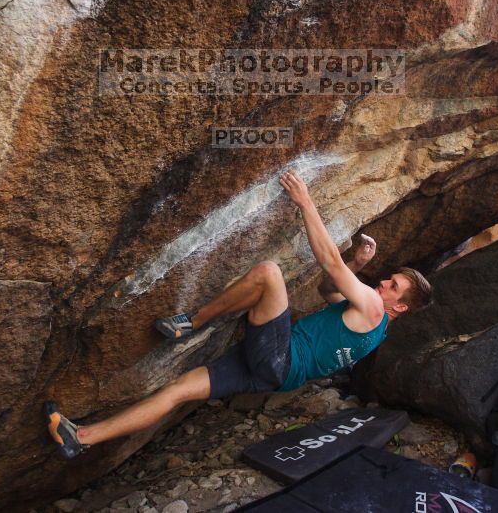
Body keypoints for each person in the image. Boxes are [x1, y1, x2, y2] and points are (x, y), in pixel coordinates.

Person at [45, 170, 432, 459]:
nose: (382, 283)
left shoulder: (373, 306)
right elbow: (327, 291)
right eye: (388, 279)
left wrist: (306, 203)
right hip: (273, 374)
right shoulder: (375, 329)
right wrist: (357, 261)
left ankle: (192, 323)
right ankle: (81, 438)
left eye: (392, 286)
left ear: (398, 307)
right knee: (177, 391)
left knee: (269, 274)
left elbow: (329, 266)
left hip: (278, 357)